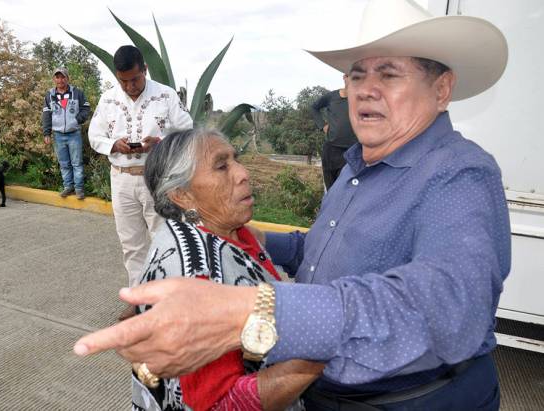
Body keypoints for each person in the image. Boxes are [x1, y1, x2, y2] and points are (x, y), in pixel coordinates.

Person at [74, 1, 511, 410]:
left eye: (389, 74)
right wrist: (261, 242)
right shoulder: (359, 165)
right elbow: (327, 252)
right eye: (357, 76)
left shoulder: (457, 174)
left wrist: (254, 310)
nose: (366, 91)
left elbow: (451, 305)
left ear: (442, 89)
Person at [130, 128, 323, 410]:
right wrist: (321, 350)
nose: (243, 173)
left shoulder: (226, 231)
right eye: (222, 166)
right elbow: (221, 403)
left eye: (236, 159)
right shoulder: (198, 282)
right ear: (182, 195)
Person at [88, 45, 193, 287]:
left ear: (145, 69)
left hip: (157, 178)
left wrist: (161, 143)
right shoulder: (108, 99)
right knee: (131, 244)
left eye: (134, 79)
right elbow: (94, 137)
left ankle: (167, 297)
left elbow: (188, 130)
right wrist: (114, 144)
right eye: (123, 81)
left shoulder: (166, 95)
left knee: (164, 238)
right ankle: (139, 298)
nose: (129, 86)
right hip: (122, 179)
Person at [42, 67, 91, 199]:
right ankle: (68, 187)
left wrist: (77, 120)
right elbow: (46, 115)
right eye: (57, 77)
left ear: (67, 78)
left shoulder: (77, 93)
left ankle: (79, 189)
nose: (60, 80)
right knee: (64, 163)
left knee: (76, 163)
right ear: (54, 79)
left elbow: (86, 108)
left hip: (74, 133)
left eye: (63, 77)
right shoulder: (49, 95)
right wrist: (46, 133)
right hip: (58, 135)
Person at [311, 75, 358, 189]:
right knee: (330, 190)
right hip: (330, 151)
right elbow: (314, 108)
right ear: (345, 77)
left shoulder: (360, 99)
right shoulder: (331, 97)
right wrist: (322, 125)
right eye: (350, 76)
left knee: (345, 189)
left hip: (350, 152)